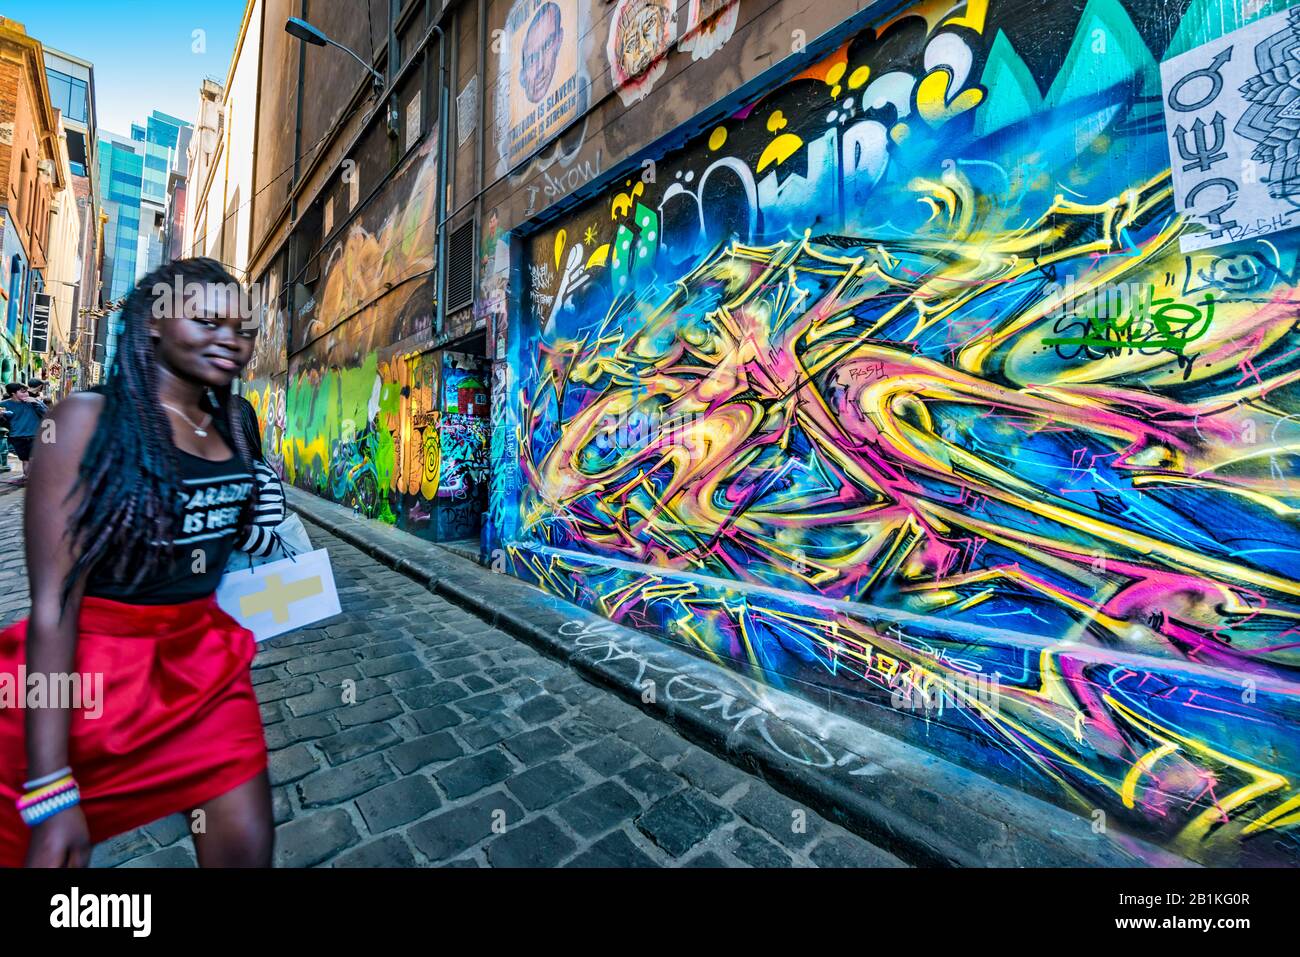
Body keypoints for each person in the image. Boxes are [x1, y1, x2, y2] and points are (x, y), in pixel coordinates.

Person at [0, 257, 272, 867]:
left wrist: (258, 517)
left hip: (205, 671)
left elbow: (213, 543)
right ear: (153, 322)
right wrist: (50, 785)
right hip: (94, 680)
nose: (230, 338)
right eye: (206, 320)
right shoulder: (84, 422)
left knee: (247, 846)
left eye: (243, 328)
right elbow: (52, 604)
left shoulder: (233, 422)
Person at [0, 383, 45, 481]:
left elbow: (47, 413)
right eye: (22, 392)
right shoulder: (4, 405)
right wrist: (2, 416)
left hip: (34, 435)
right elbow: (3, 422)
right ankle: (27, 477)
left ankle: (31, 479)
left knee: (33, 458)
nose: (26, 395)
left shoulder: (34, 402)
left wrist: (36, 402)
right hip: (17, 436)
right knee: (25, 460)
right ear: (13, 394)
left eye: (27, 392)